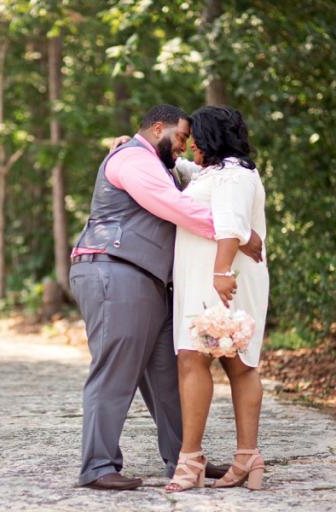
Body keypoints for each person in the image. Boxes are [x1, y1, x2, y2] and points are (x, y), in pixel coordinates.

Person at [69, 104, 262, 491]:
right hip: (114, 268)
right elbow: (173, 206)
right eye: (180, 138)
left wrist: (235, 228)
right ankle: (98, 465)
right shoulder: (135, 160)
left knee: (165, 374)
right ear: (158, 128)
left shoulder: (159, 164)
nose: (184, 146)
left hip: (147, 280)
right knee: (115, 367)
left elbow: (203, 180)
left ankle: (184, 460)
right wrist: (236, 232)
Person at [164, 105, 269, 492]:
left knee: (231, 363)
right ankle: (239, 459)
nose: (190, 144)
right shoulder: (217, 173)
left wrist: (222, 274)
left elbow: (230, 227)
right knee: (202, 360)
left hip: (225, 280)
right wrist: (134, 149)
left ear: (210, 138)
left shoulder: (234, 176)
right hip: (206, 280)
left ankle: (206, 460)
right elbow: (190, 177)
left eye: (194, 138)